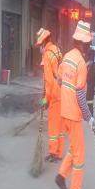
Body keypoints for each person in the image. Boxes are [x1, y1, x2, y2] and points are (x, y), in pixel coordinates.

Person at [55, 20, 94, 189]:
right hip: (74, 114)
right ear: (85, 43)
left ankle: (61, 175)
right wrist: (88, 116)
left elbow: (59, 80)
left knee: (73, 147)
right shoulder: (81, 64)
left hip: (64, 111)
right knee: (80, 153)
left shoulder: (67, 57)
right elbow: (80, 95)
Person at [35, 28, 63, 163]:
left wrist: (45, 100)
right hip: (61, 92)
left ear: (43, 43)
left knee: (53, 126)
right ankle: (58, 152)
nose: (40, 48)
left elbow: (49, 81)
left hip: (54, 94)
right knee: (59, 126)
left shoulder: (47, 55)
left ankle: (53, 152)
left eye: (40, 44)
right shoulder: (56, 50)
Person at [85, 43, 95, 116]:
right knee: (87, 95)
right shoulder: (83, 51)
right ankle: (87, 112)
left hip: (90, 76)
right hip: (87, 76)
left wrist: (84, 66)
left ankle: (90, 113)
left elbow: (90, 62)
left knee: (89, 95)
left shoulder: (91, 51)